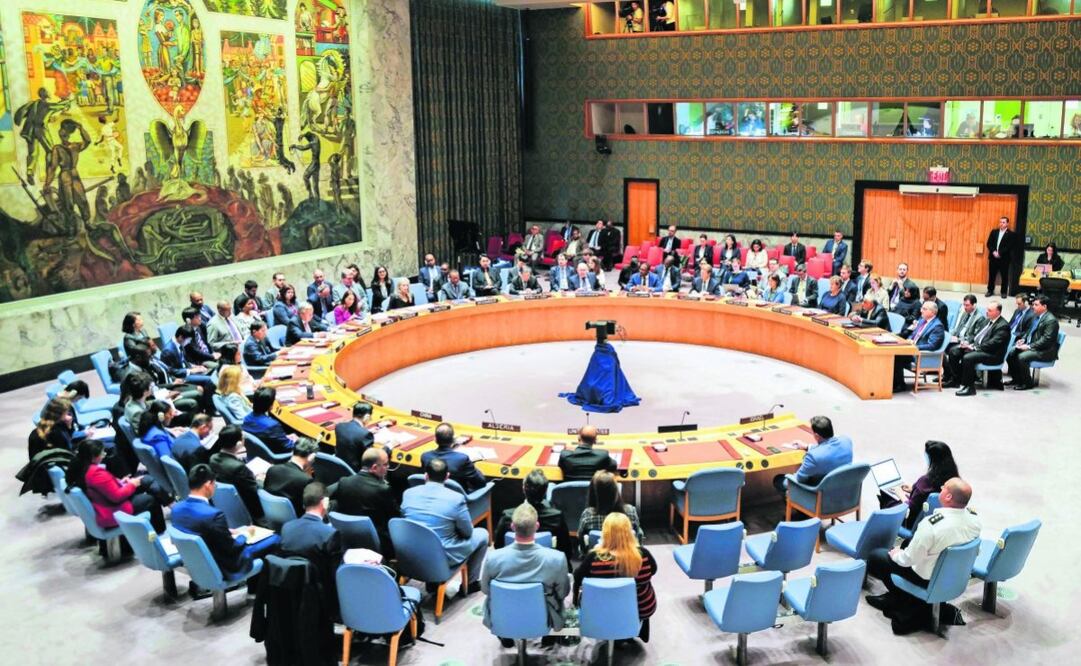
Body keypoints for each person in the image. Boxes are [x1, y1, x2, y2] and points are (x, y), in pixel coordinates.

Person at [865, 478, 980, 631]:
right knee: (908, 542)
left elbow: (908, 560)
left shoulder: (932, 525)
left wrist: (895, 554)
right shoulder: (974, 521)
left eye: (944, 487)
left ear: (948, 497)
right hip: (954, 575)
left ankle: (904, 598)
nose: (941, 487)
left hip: (927, 578)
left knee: (876, 556)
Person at [483, 502, 571, 645]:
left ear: (512, 527)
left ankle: (506, 633)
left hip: (503, 615)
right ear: (537, 527)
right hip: (543, 616)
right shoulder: (557, 559)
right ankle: (547, 635)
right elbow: (563, 593)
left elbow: (485, 590)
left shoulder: (493, 558)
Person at [172, 464, 280, 579]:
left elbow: (197, 529)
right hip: (225, 564)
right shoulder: (213, 514)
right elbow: (233, 548)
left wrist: (225, 531)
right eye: (215, 484)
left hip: (199, 561)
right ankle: (263, 589)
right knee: (275, 538)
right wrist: (244, 535)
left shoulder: (177, 509)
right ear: (208, 485)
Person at [401, 458, 488, 591]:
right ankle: (470, 584)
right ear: (447, 477)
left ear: (426, 475)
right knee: (482, 534)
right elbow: (467, 533)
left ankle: (432, 583)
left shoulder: (408, 493)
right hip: (442, 556)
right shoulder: (456, 499)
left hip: (411, 552)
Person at [573, 512, 657, 642]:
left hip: (599, 610)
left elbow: (577, 577)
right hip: (639, 609)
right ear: (630, 532)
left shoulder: (594, 558)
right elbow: (653, 571)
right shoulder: (643, 555)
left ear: (605, 533)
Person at [66, 439, 167, 534]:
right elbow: (116, 497)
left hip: (107, 504)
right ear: (93, 457)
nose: (104, 456)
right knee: (149, 499)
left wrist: (121, 483)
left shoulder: (83, 470)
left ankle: (169, 504)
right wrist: (132, 484)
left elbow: (105, 488)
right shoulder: (95, 473)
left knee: (146, 480)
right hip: (113, 510)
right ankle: (158, 534)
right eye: (102, 453)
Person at [329, 447, 398, 557]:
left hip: (347, 537)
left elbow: (325, 494)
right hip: (376, 542)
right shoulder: (383, 490)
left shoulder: (344, 482)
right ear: (374, 467)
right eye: (385, 464)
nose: (388, 467)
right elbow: (395, 518)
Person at [280, 482, 343, 600]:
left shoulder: (286, 528)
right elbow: (335, 576)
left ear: (304, 504)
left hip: (291, 594)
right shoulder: (330, 534)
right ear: (325, 503)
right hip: (321, 598)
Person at [879, 441, 960, 530]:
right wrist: (913, 488)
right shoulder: (954, 479)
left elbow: (910, 507)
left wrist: (900, 494)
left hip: (914, 522)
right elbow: (928, 492)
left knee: (886, 496)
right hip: (937, 519)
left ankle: (887, 531)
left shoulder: (925, 480)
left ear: (931, 459)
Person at [494, 470, 572, 561]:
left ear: (523, 488)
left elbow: (498, 546)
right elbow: (566, 550)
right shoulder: (557, 516)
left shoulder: (508, 516)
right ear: (546, 491)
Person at [772, 415, 853, 498]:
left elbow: (799, 480)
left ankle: (802, 509)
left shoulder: (813, 457)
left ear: (817, 436)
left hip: (822, 497)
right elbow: (828, 446)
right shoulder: (846, 441)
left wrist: (790, 476)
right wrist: (807, 447)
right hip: (845, 492)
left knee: (779, 480)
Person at [208, 425, 265, 523]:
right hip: (249, 510)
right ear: (239, 444)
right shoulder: (239, 468)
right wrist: (260, 479)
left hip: (225, 504)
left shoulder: (213, 458)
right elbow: (254, 491)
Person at [953, 300, 1011, 395]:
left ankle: (970, 388)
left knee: (968, 357)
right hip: (982, 349)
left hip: (993, 355)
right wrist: (968, 343)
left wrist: (975, 348)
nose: (987, 312)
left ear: (998, 312)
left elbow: (993, 344)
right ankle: (957, 379)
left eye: (990, 310)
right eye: (987, 309)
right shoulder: (987, 320)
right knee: (954, 351)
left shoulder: (1003, 326)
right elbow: (976, 335)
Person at [1005, 295, 1060, 391]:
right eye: (1033, 304)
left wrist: (1029, 346)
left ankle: (1027, 383)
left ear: (1044, 307)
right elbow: (1029, 331)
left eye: (1036, 304)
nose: (1033, 306)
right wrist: (1024, 339)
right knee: (1011, 354)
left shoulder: (1051, 321)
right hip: (1036, 346)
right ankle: (1017, 379)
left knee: (1022, 357)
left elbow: (1046, 340)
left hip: (1046, 350)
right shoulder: (1036, 316)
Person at [577, 471, 643, 546]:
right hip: (626, 556)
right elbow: (638, 538)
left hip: (596, 556)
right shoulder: (631, 511)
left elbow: (581, 540)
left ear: (592, 492)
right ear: (615, 491)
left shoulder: (587, 515)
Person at [893, 301, 946, 392]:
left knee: (897, 356)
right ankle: (892, 382)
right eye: (922, 308)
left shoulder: (937, 326)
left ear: (932, 312)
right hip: (912, 349)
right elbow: (913, 334)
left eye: (924, 309)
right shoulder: (922, 320)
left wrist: (915, 346)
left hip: (920, 355)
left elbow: (932, 346)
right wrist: (910, 340)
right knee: (891, 352)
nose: (921, 311)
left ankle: (900, 385)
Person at [421, 422, 487, 492]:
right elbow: (481, 483)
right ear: (453, 440)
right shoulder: (463, 459)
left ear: (435, 439)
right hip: (457, 498)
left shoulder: (425, 456)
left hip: (432, 494)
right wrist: (472, 464)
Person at [264, 438, 319, 516]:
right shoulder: (306, 480)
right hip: (296, 520)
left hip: (270, 515)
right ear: (311, 457)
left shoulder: (272, 469)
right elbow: (309, 510)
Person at [942, 295, 987, 384]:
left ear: (974, 305)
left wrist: (959, 340)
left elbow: (975, 336)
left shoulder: (980, 318)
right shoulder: (965, 313)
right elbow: (958, 328)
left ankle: (955, 379)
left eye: (967, 305)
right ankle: (948, 375)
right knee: (942, 345)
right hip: (959, 339)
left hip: (967, 343)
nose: (965, 307)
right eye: (964, 305)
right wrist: (952, 337)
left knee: (953, 352)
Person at [243, 387, 296, 454]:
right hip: (277, 455)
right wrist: (296, 441)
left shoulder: (247, 418)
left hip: (258, 452)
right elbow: (288, 446)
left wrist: (284, 437)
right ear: (270, 405)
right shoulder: (272, 425)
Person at [333, 402, 374, 472]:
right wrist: (389, 447)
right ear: (367, 417)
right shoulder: (365, 434)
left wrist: (364, 430)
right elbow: (371, 459)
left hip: (339, 468)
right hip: (356, 472)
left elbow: (353, 433)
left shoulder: (339, 426)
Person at [985, 216, 1015, 298]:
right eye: (1000, 222)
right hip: (993, 257)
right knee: (992, 275)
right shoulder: (994, 232)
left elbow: (1009, 246)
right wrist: (994, 251)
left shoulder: (1011, 234)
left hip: (1004, 258)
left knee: (1004, 276)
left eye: (1003, 222)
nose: (1001, 224)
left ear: (1007, 224)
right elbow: (989, 243)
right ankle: (990, 290)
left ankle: (1004, 292)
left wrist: (1000, 253)